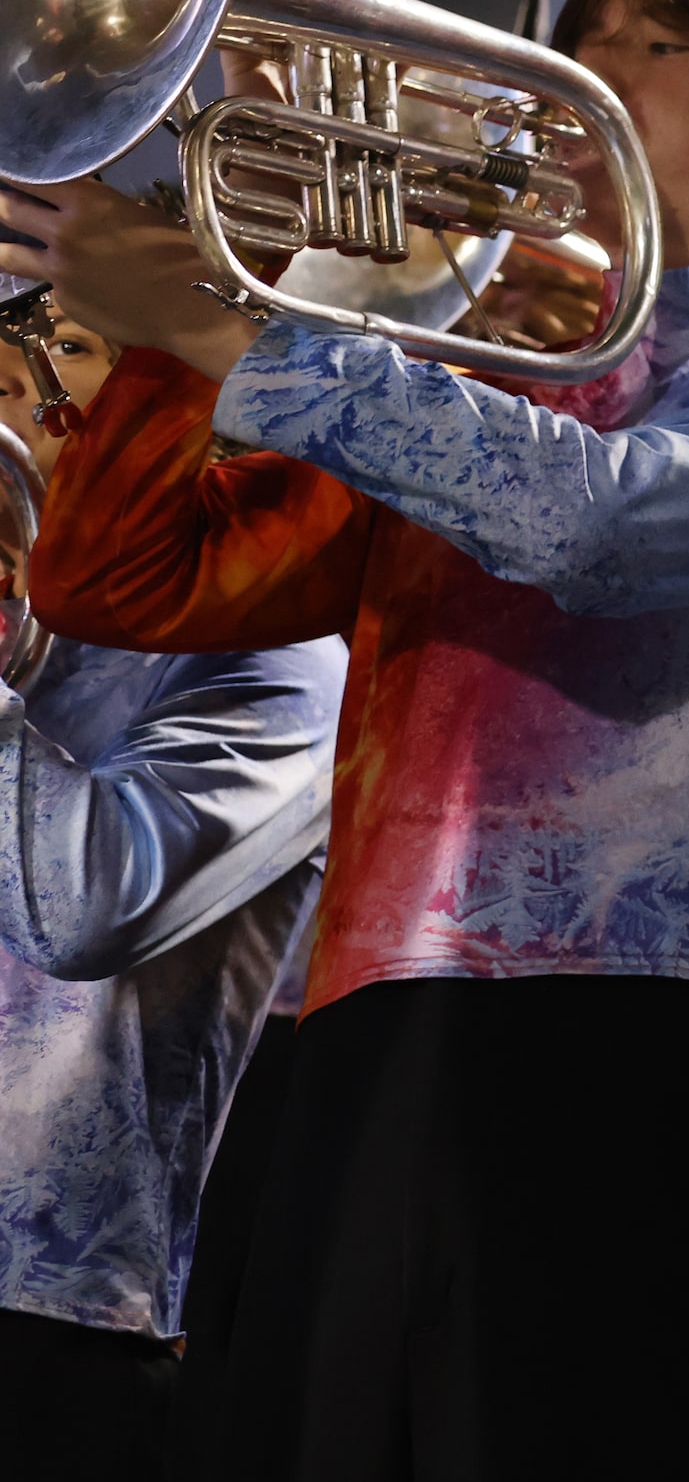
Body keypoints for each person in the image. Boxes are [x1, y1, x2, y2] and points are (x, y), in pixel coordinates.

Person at [0, 0, 689, 1479]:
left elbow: (609, 520)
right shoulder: (488, 371)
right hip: (360, 1050)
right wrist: (210, 318)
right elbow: (130, 586)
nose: (551, 71)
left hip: (646, 1053)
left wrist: (230, 325)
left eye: (631, 42)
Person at [0, 312, 343, 1482]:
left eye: (66, 343)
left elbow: (87, 909)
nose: (14, 377)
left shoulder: (281, 645)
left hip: (44, 1313)